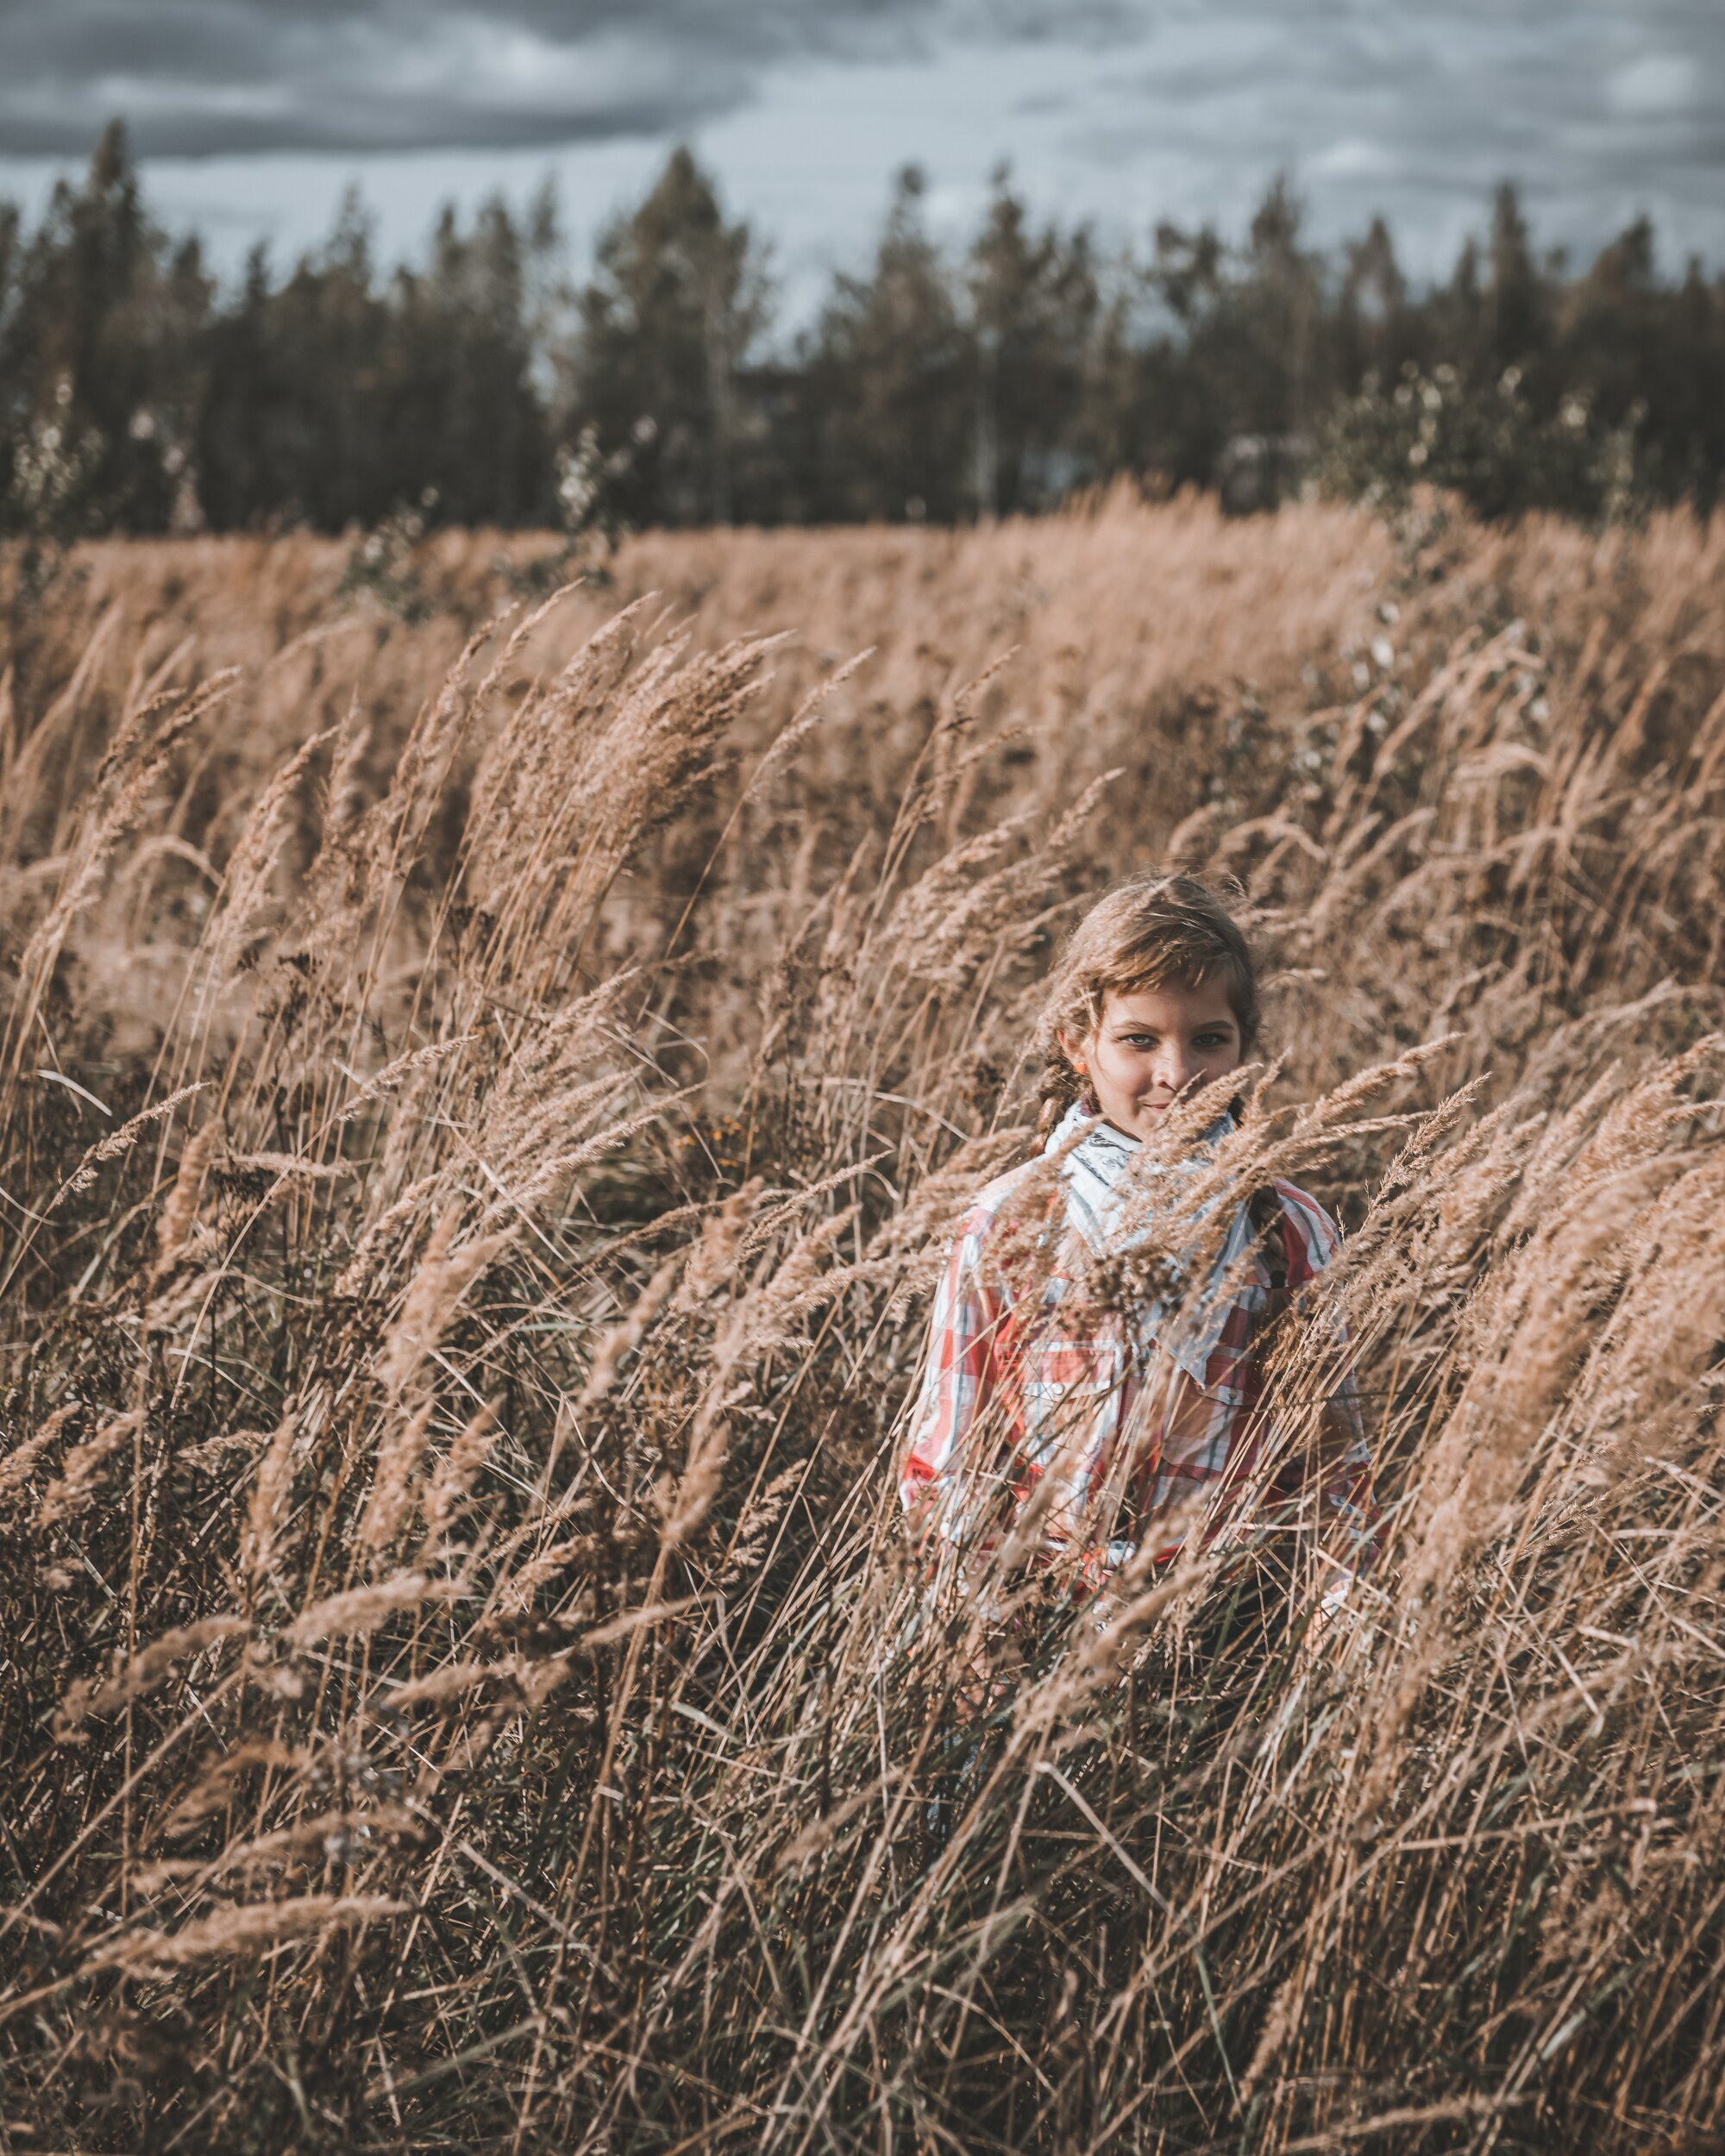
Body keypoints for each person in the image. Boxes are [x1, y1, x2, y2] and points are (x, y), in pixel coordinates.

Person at [898, 871, 1376, 1671]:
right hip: (1038, 1629)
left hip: (1230, 1632)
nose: (1177, 1072)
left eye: (1210, 1040)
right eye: (1139, 1039)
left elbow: (1335, 1461)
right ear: (1077, 1043)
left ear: (1243, 1047)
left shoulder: (1286, 1231)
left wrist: (1336, 1625)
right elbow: (949, 1455)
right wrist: (971, 1621)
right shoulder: (1015, 1223)